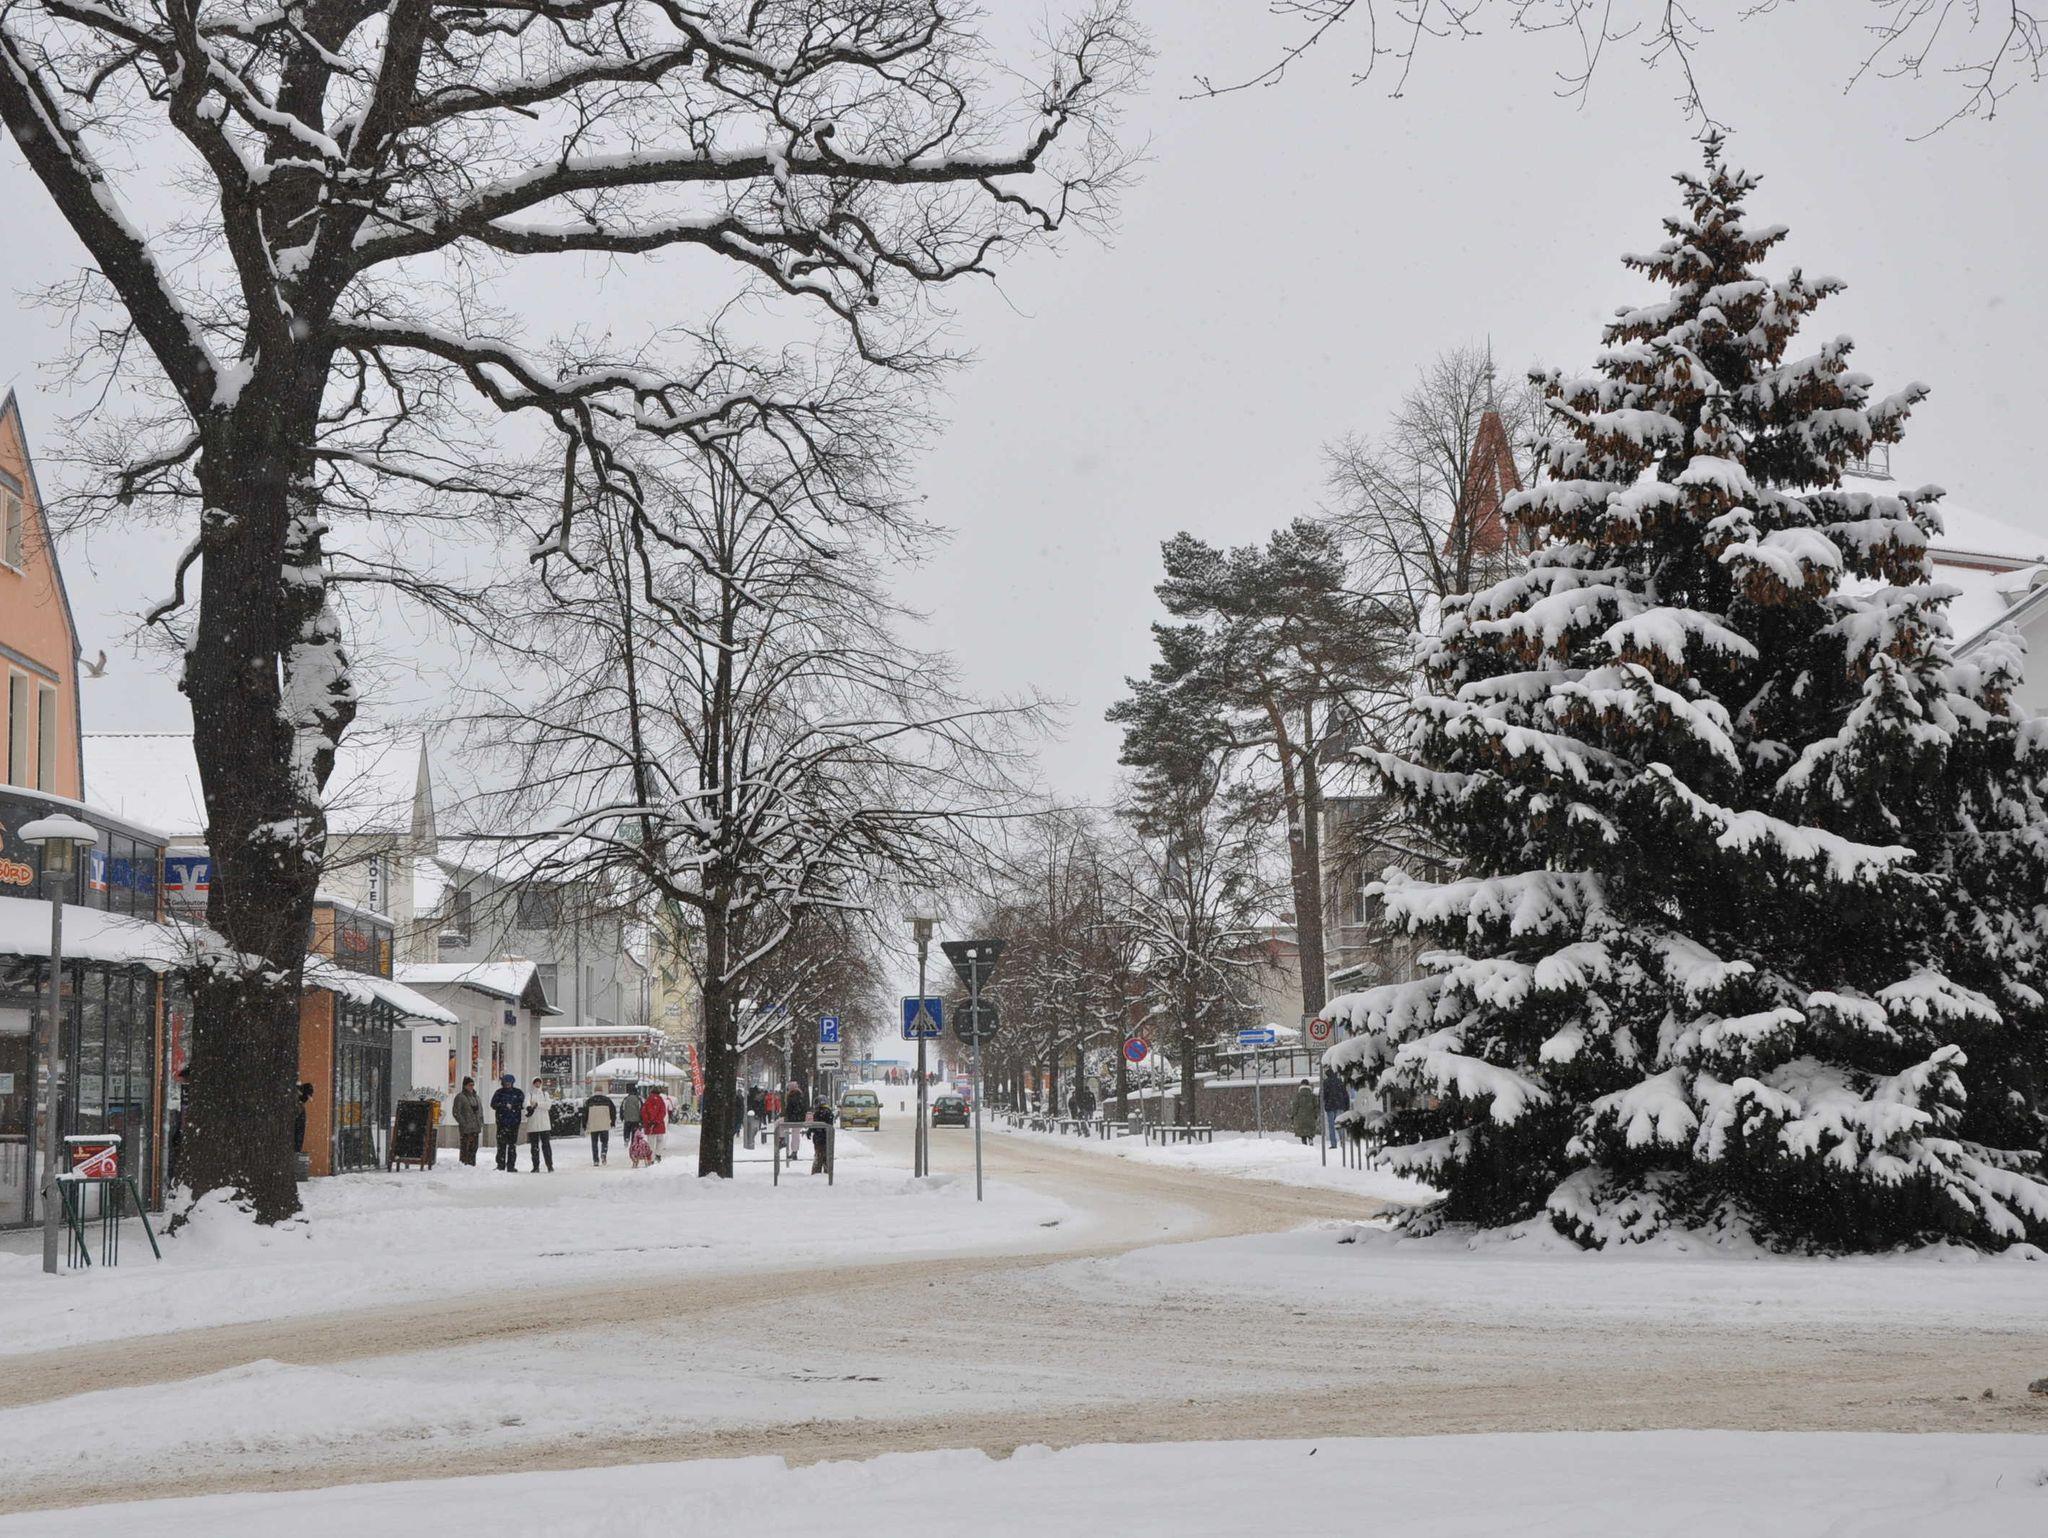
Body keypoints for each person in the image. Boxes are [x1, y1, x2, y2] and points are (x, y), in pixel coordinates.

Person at [490, 1074, 525, 1172]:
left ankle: (511, 1165)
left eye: (509, 1083)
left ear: (512, 1083)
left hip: (514, 1123)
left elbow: (522, 1104)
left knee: (512, 1145)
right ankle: (500, 1165)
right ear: (503, 1083)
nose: (508, 1085)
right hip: (502, 1123)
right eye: (506, 1083)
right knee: (501, 1145)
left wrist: (514, 1106)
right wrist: (504, 1105)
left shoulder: (518, 1092)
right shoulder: (499, 1093)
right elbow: (493, 1104)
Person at [522, 1078, 557, 1172]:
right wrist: (529, 1107)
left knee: (546, 1146)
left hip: (544, 1125)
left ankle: (549, 1165)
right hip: (533, 1124)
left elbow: (548, 1105)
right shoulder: (529, 1094)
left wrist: (538, 1104)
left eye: (539, 1083)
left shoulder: (545, 1094)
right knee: (534, 1147)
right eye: (536, 1083)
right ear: (533, 1084)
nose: (537, 1084)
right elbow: (526, 1103)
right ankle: (535, 1166)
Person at [452, 1077, 484, 1166]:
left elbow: (480, 1111)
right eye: (470, 1085)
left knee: (474, 1147)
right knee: (465, 1147)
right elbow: (456, 1112)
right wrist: (463, 1123)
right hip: (466, 1128)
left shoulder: (476, 1097)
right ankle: (464, 1164)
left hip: (476, 1126)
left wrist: (481, 1122)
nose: (471, 1087)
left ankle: (472, 1163)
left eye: (473, 1085)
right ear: (465, 1086)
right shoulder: (460, 1097)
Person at [1320, 1064, 1351, 1146]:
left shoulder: (1325, 1082)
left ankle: (1333, 1143)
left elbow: (1322, 1095)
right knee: (1340, 1123)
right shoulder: (1340, 1081)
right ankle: (1342, 1140)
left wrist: (1324, 1103)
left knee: (1331, 1126)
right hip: (1340, 1105)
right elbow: (1345, 1094)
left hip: (1330, 1106)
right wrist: (1347, 1106)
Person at [584, 1089, 616, 1165]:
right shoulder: (607, 1100)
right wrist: (612, 1122)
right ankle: (603, 1153)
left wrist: (584, 1124)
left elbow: (585, 1114)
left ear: (594, 1091)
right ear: (602, 1091)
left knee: (594, 1143)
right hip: (604, 1124)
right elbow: (613, 1112)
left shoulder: (589, 1101)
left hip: (593, 1125)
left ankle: (596, 1160)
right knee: (604, 1141)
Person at [641, 1083, 670, 1161]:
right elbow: (663, 1112)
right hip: (659, 1125)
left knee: (651, 1143)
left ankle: (651, 1159)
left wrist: (649, 1121)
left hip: (649, 1126)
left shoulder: (648, 1100)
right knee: (660, 1140)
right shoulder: (661, 1101)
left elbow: (644, 1112)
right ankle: (658, 1154)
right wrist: (657, 1120)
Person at [808, 1096, 835, 1175]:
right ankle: (827, 1171)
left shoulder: (818, 1113)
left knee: (818, 1156)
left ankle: (816, 1172)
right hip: (826, 1138)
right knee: (826, 1156)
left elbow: (816, 1125)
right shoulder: (828, 1112)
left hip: (819, 1139)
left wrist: (810, 1130)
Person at [783, 1080, 809, 1158]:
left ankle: (782, 1140)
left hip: (794, 1118)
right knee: (795, 1134)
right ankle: (794, 1151)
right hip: (798, 1118)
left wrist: (787, 1115)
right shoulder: (799, 1095)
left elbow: (791, 1108)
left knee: (779, 1125)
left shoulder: (793, 1095)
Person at [1289, 1079, 1319, 1144]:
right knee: (1310, 1130)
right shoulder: (1312, 1095)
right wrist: (1316, 1115)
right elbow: (1316, 1106)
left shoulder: (1298, 1095)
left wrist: (1293, 1115)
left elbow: (1295, 1106)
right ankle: (1311, 1139)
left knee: (1302, 1132)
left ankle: (1304, 1142)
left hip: (1300, 1116)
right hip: (1310, 1116)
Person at [294, 1081, 315, 1154]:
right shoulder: (298, 1105)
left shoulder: (299, 1104)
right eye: (307, 1097)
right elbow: (300, 1131)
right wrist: (297, 1148)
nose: (307, 1100)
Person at [743, 1084, 764, 1149]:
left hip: (755, 1116)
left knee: (754, 1129)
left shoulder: (754, 1100)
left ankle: (750, 1141)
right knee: (753, 1129)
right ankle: (750, 1142)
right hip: (753, 1116)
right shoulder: (753, 1100)